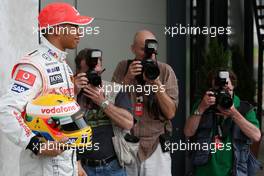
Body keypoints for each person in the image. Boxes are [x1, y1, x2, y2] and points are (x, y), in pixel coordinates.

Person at [0, 2, 93, 176]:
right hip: (44, 168)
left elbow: (63, 116)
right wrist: (37, 144)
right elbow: (6, 110)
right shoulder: (34, 65)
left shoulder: (62, 63)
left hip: (66, 161)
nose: (80, 32)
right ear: (56, 29)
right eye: (74, 26)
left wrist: (77, 164)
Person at [112, 30, 179, 176]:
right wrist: (127, 79)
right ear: (133, 49)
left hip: (156, 144)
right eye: (143, 49)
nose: (148, 54)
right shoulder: (123, 67)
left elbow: (170, 112)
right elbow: (111, 105)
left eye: (151, 50)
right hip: (128, 143)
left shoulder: (165, 71)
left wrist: (156, 83)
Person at [184, 69, 261, 176]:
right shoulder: (203, 105)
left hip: (235, 172)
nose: (223, 93)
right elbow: (188, 132)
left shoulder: (244, 109)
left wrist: (234, 114)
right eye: (218, 89)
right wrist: (201, 108)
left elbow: (256, 136)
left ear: (233, 86)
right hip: (204, 172)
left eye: (227, 89)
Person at [74, 48, 134, 176]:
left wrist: (102, 102)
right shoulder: (72, 92)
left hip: (113, 166)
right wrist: (73, 92)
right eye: (88, 71)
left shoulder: (115, 90)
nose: (93, 74)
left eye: (96, 70)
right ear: (79, 72)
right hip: (82, 167)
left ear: (101, 68)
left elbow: (128, 123)